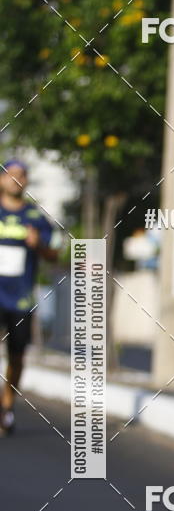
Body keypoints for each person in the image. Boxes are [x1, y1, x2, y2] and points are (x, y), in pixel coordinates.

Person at [0, 160, 58, 434]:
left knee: (17, 357)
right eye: (11, 174)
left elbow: (55, 254)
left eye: (22, 175)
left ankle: (8, 404)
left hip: (20, 299)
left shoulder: (35, 217)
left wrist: (40, 245)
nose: (16, 179)